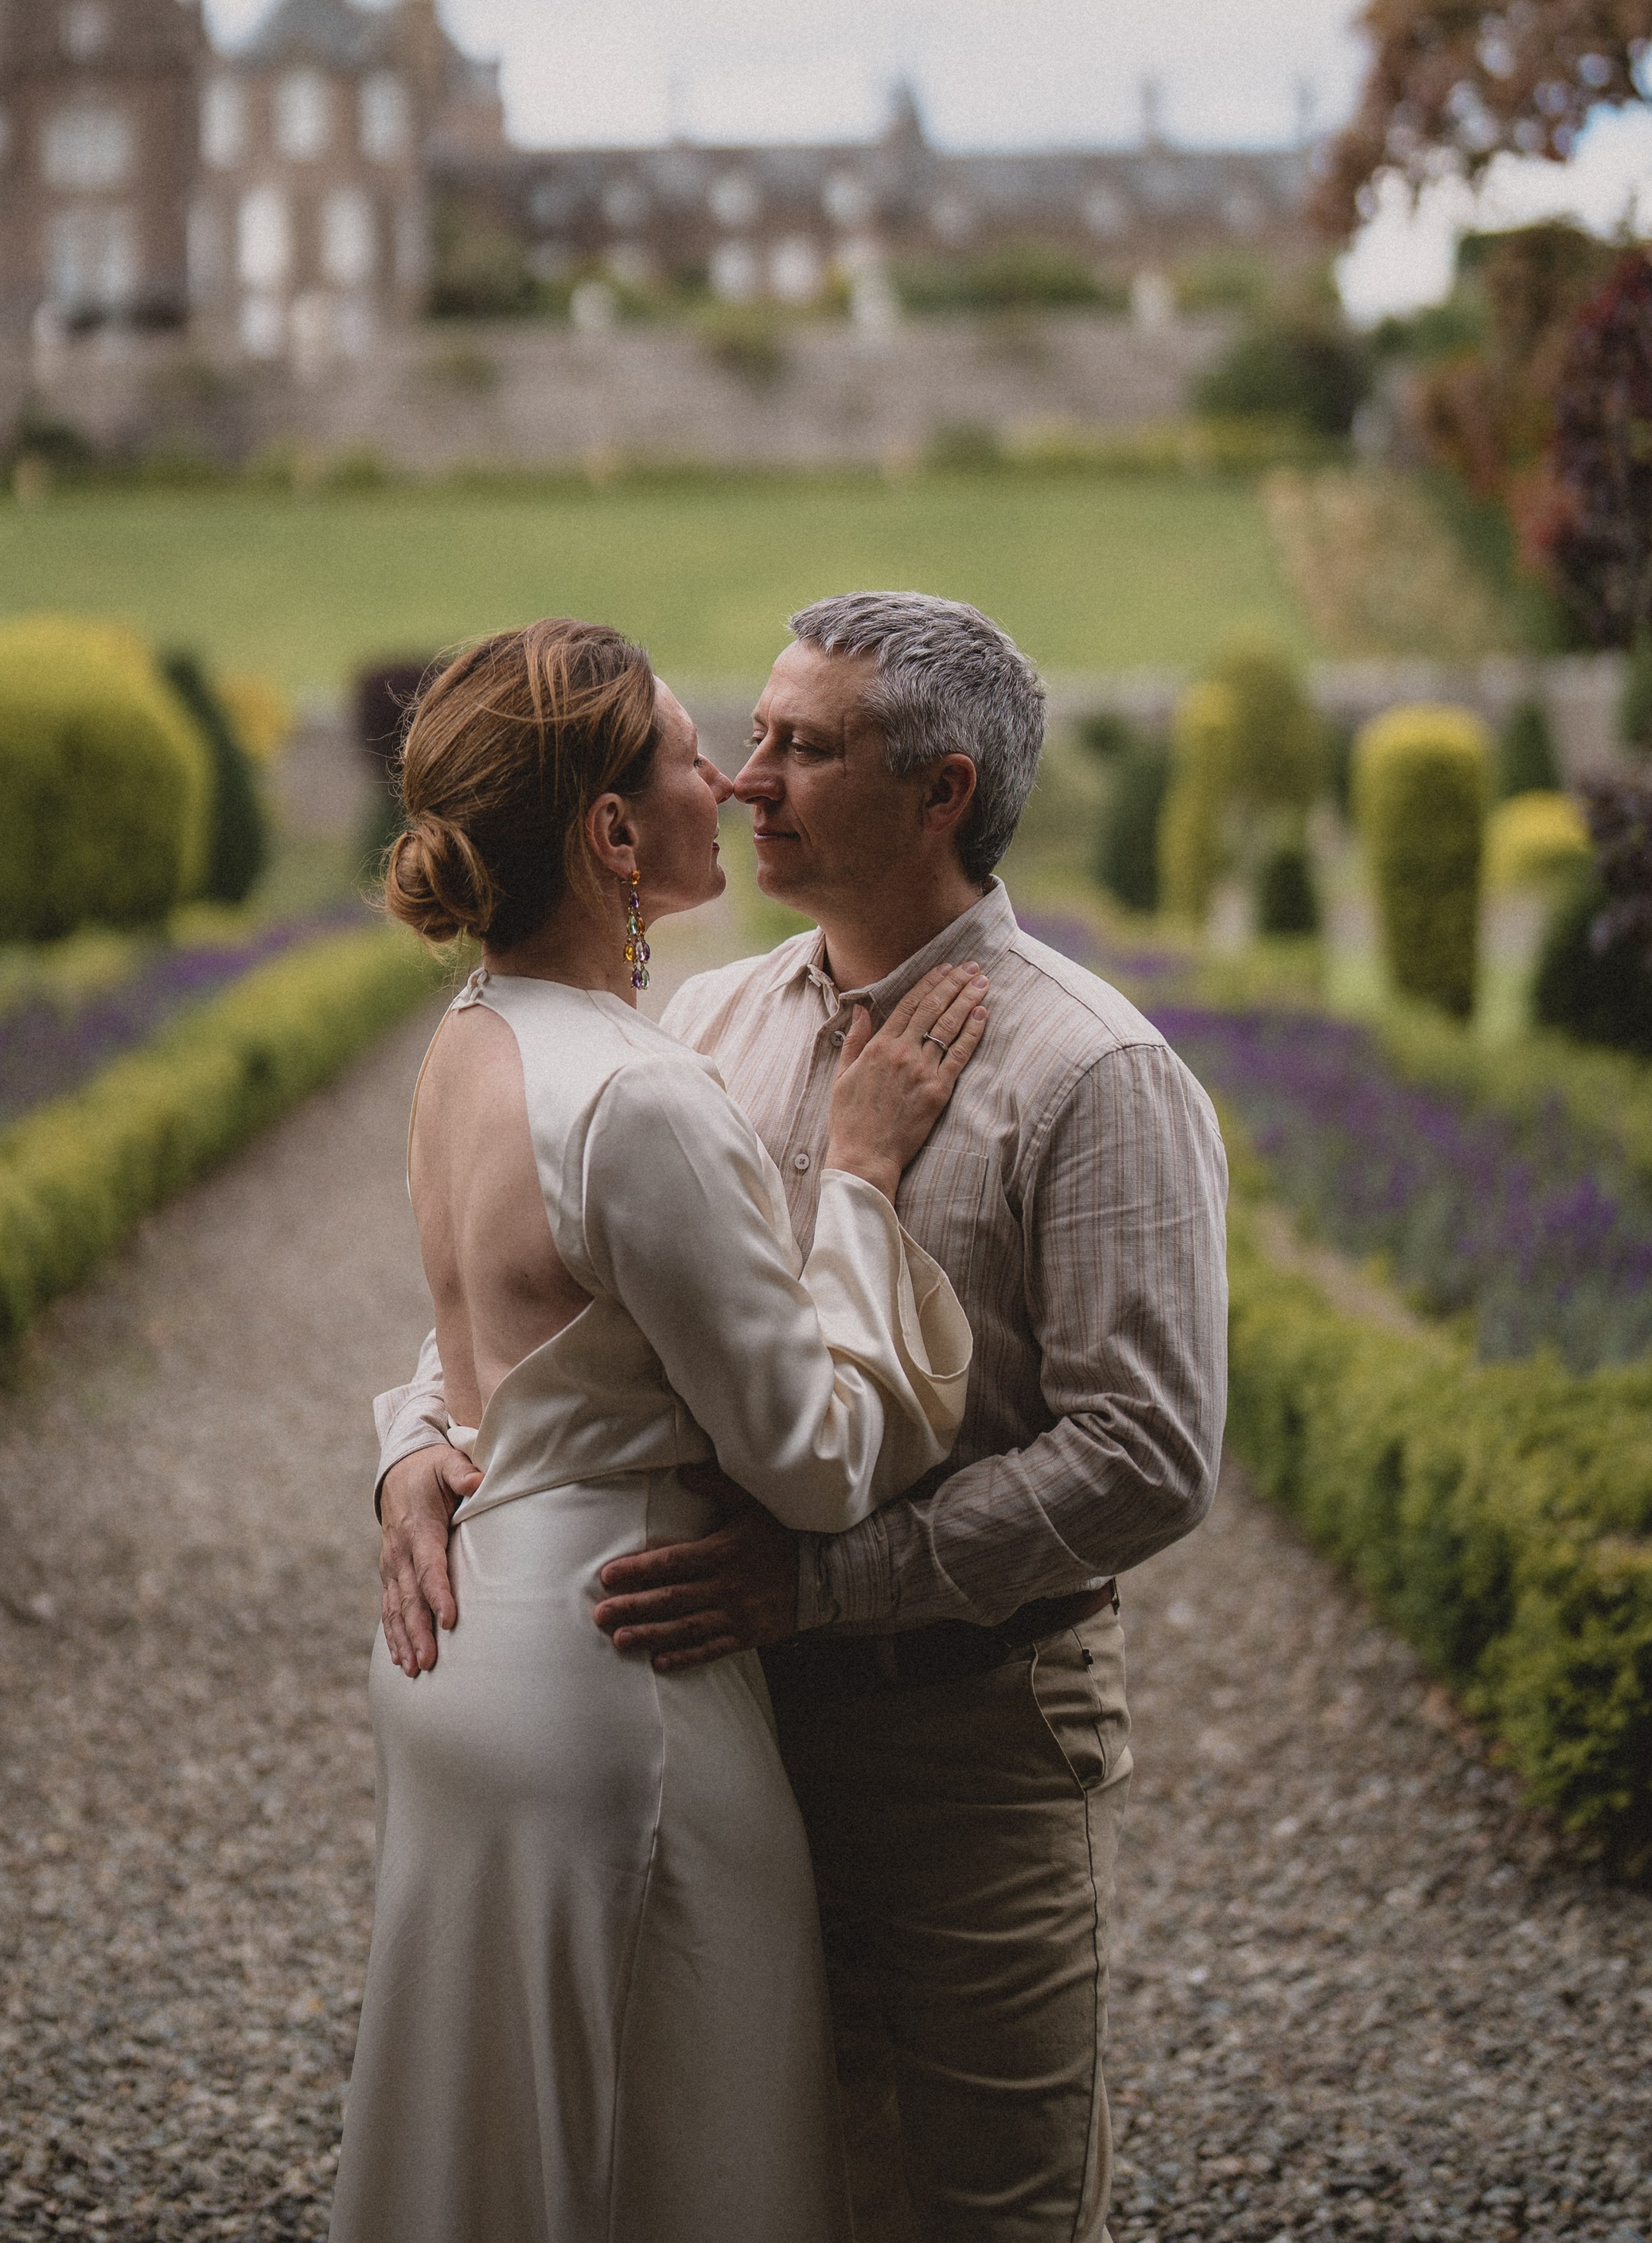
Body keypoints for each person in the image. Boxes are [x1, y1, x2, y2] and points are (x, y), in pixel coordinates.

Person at [379, 591, 1230, 2243]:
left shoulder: (1091, 1074)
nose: (751, 778)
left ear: (940, 790)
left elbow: (1144, 1452)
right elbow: (559, 1304)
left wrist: (823, 1587)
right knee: (751, 2186)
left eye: (799, 746)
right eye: (746, 740)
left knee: (987, 2204)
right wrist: (412, 1440)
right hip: (717, 1705)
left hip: (958, 1744)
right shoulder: (699, 1027)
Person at [334, 617, 984, 2243]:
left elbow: (496, 1338)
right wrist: (856, 1177)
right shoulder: (641, 1096)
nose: (728, 778)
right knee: (675, 2156)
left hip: (465, 1653)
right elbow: (816, 1459)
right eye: (691, 751)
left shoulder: (471, 1040)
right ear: (611, 836)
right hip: (616, 1687)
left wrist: (409, 1448)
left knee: (497, 2154)